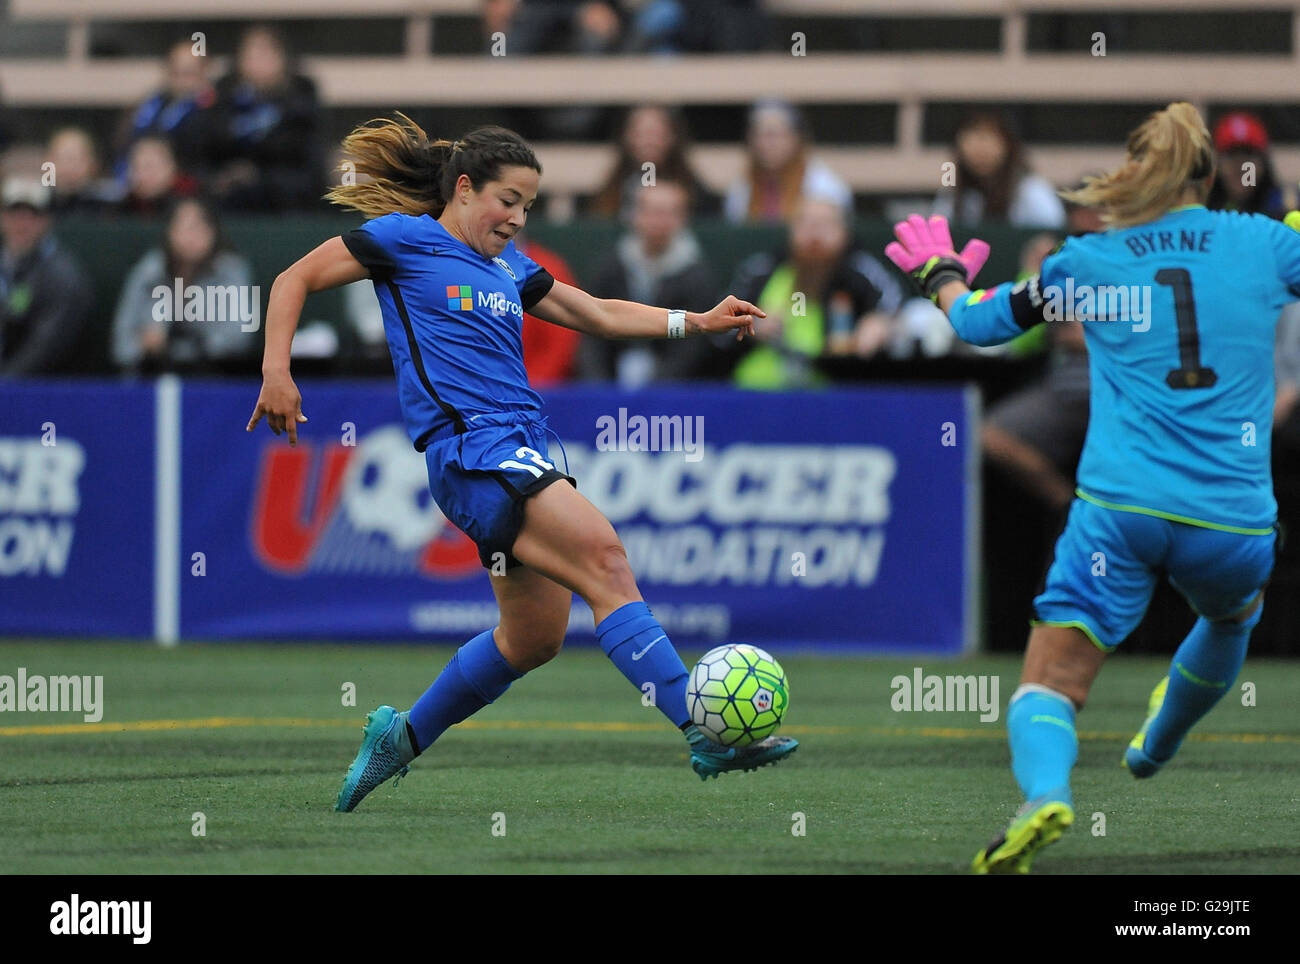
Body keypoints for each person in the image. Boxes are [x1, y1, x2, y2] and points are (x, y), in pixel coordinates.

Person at [245, 114, 797, 812]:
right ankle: (701, 728)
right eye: (508, 200)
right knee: (605, 559)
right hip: (474, 453)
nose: (516, 217)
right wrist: (276, 371)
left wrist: (696, 320)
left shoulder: (510, 266)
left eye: (529, 206)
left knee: (533, 637)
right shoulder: (406, 241)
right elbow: (294, 278)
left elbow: (595, 312)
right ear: (467, 188)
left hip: (520, 446)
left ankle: (400, 736)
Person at [886, 102, 1300, 873]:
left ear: (1132, 179)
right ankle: (1157, 743)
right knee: (1233, 614)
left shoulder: (1088, 263)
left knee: (1051, 681)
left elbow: (976, 326)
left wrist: (941, 277)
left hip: (1122, 512)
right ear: (1209, 180)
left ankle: (1046, 793)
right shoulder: (1265, 246)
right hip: (1232, 518)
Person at [728, 194, 902, 389]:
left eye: (826, 224)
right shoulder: (762, 270)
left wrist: (882, 323)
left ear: (844, 232)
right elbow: (716, 330)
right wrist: (748, 325)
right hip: (757, 392)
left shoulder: (861, 272)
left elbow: (894, 307)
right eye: (805, 223)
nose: (814, 234)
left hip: (838, 393)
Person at [579, 179, 718, 386]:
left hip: (672, 392)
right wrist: (599, 388)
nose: (660, 221)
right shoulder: (611, 268)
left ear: (683, 218)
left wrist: (655, 390)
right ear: (634, 215)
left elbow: (693, 346)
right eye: (652, 212)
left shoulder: (696, 276)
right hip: (610, 384)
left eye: (669, 213)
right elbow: (589, 331)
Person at [112, 197, 255, 373]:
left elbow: (239, 339)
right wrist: (145, 347)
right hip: (151, 377)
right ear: (169, 232)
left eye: (198, 227)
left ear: (213, 232)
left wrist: (179, 346)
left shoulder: (231, 271)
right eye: (183, 227)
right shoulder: (148, 271)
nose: (191, 236)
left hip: (213, 378)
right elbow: (121, 345)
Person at [203, 25, 324, 211]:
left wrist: (259, 177)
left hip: (287, 204)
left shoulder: (301, 99)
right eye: (251, 55)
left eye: (266, 54)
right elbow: (208, 151)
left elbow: (311, 169)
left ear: (282, 58)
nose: (258, 63)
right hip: (229, 202)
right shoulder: (225, 96)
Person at [0, 179, 93, 376]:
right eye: (14, 214)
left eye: (32, 215)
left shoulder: (63, 276)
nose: (21, 224)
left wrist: (5, 383)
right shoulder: (5, 264)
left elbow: (46, 348)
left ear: (46, 221)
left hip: (43, 393)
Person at [723, 100, 851, 224]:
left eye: (775, 136)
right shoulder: (742, 186)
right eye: (759, 136)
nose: (767, 144)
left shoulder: (825, 186)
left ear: (796, 139)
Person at [932, 111, 1065, 229]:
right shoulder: (951, 191)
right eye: (973, 138)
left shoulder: (1030, 190)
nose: (980, 148)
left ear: (1007, 145)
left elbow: (1053, 234)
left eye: (988, 138)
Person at [113, 38, 216, 186]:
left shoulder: (212, 110)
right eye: (176, 71)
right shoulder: (151, 104)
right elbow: (127, 144)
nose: (181, 79)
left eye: (188, 72)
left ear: (203, 72)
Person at [588, 104, 715, 221]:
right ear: (627, 137)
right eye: (640, 133)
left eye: (656, 133)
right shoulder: (611, 190)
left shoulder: (693, 190)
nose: (649, 142)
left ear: (672, 137)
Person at [1205, 111, 1295, 219]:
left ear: (1264, 163)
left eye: (1248, 155)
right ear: (1216, 163)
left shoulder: (1283, 209)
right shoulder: (1203, 209)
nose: (1241, 167)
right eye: (1232, 155)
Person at [46, 127, 120, 217]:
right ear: (48, 161)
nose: (69, 166)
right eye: (62, 158)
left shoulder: (111, 206)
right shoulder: (37, 206)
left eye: (75, 158)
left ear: (93, 164)